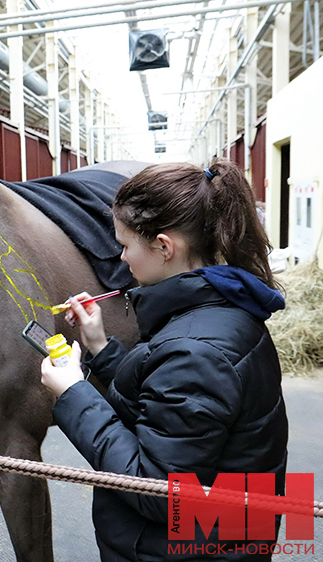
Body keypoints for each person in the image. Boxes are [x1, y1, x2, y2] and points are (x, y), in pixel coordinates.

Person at [40, 160, 288, 562]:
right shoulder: (220, 309)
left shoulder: (199, 352)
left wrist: (73, 393)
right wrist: (100, 347)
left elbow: (159, 492)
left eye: (125, 245)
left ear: (164, 246)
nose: (122, 258)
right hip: (226, 532)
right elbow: (165, 399)